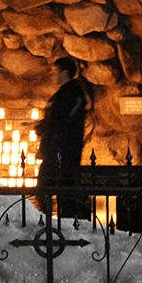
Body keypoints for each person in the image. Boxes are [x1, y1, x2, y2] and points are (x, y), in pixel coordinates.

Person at [32, 57, 88, 218]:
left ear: (64, 72)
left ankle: (52, 224)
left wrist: (43, 129)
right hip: (60, 150)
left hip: (60, 151)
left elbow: (59, 121)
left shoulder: (69, 93)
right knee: (58, 190)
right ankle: (56, 224)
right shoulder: (69, 93)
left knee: (49, 189)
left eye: (55, 71)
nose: (53, 75)